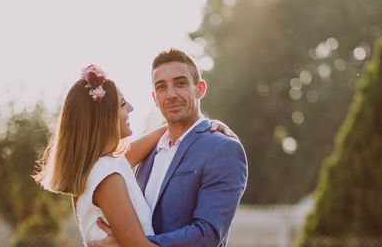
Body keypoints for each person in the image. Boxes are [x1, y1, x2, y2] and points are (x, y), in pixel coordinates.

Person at [34, 63, 236, 246]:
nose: (131, 109)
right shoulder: (108, 176)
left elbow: (159, 138)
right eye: (123, 105)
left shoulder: (96, 167)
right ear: (105, 117)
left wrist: (205, 125)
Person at [89, 49, 248, 247]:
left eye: (180, 83)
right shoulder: (147, 153)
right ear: (155, 98)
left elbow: (208, 236)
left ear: (200, 88)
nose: (171, 94)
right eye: (161, 87)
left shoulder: (223, 149)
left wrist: (131, 243)